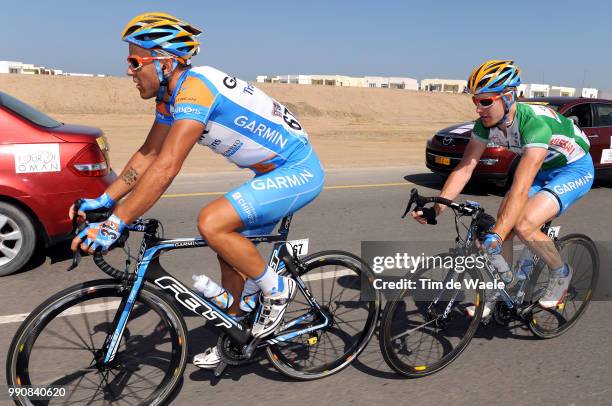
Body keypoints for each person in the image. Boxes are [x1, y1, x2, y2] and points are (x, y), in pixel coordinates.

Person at [70, 12, 325, 368]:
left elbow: (167, 166)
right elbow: (148, 154)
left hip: (297, 171)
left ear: (164, 61)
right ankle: (237, 335)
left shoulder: (195, 90)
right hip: (268, 174)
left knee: (212, 222)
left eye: (134, 60)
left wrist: (116, 221)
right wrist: (105, 199)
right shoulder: (169, 99)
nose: (129, 71)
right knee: (229, 252)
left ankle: (277, 290)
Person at [412, 60, 593, 318]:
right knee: (503, 224)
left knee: (522, 225)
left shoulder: (534, 124)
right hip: (542, 169)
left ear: (508, 97)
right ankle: (501, 287)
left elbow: (520, 187)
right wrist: (437, 208)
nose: (478, 108)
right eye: (475, 101)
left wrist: (497, 233)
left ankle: (561, 272)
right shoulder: (484, 126)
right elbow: (465, 168)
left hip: (573, 169)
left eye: (485, 102)